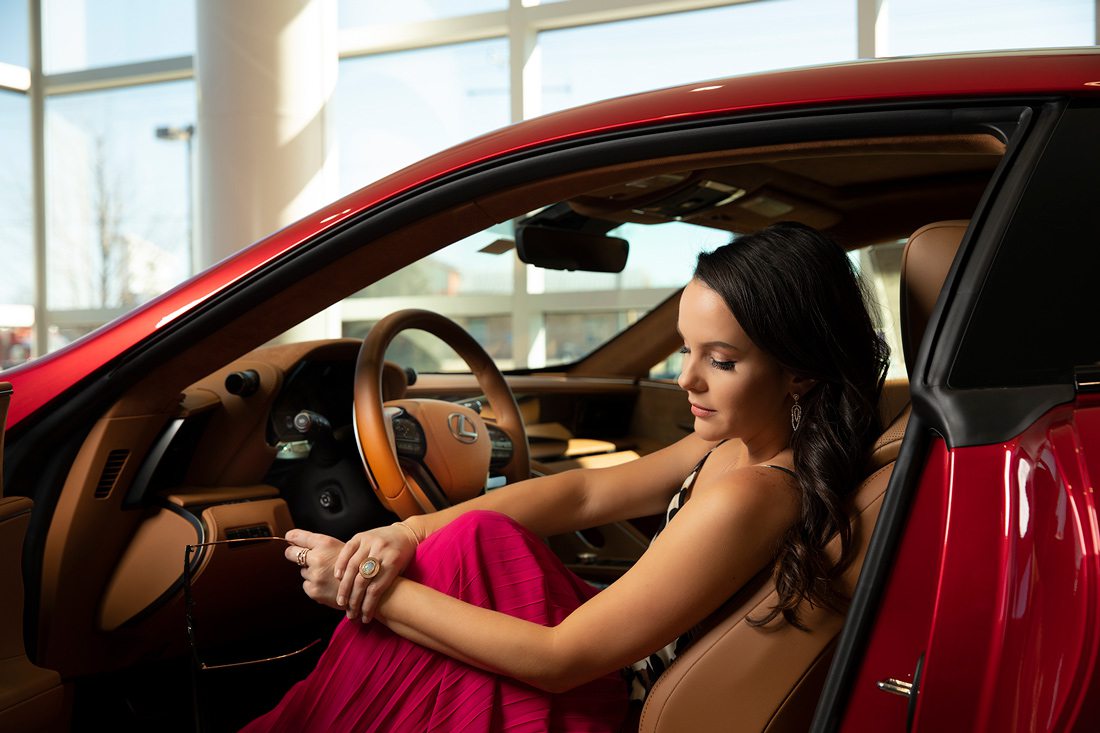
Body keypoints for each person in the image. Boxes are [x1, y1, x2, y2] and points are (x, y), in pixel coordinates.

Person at [243, 221, 889, 732]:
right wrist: (408, 532)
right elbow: (586, 491)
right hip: (600, 659)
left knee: (459, 559)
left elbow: (561, 659)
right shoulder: (730, 445)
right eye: (684, 349)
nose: (686, 378)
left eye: (719, 360)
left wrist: (367, 585)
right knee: (471, 542)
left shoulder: (755, 492)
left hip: (608, 694)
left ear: (799, 373)